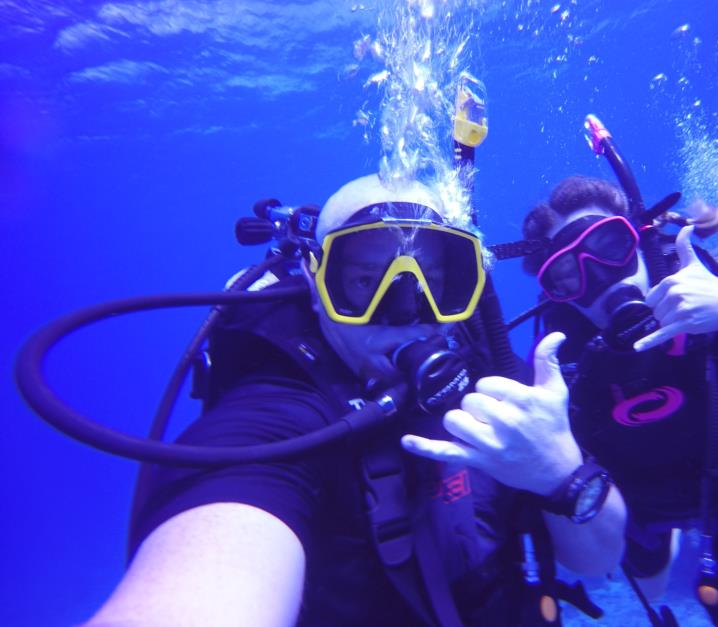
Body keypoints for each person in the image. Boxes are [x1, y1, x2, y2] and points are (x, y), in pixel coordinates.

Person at [84, 174, 627, 627]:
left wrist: (561, 475)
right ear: (317, 284)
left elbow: (602, 559)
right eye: (368, 280)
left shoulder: (493, 381)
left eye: (434, 281)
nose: (407, 310)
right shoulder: (280, 416)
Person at [506, 175, 718, 619]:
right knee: (651, 586)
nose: (601, 281)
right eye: (570, 276)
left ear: (642, 239)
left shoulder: (714, 301)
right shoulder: (558, 356)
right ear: (557, 294)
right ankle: (663, 541)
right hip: (636, 508)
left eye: (611, 247)